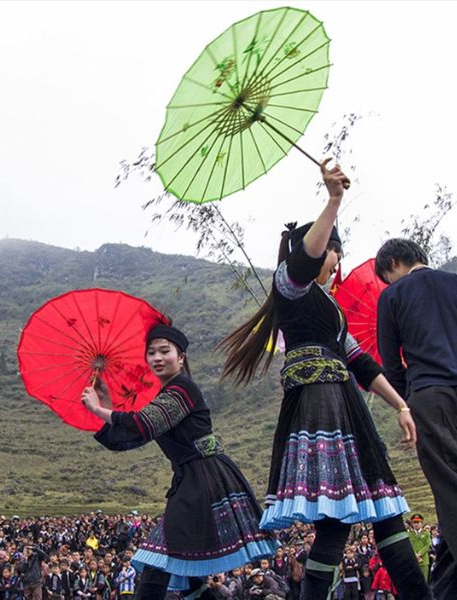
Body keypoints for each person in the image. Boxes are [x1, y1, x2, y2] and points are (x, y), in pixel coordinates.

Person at [219, 160, 431, 600]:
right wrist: (333, 200)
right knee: (336, 523)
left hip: (347, 409)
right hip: (319, 407)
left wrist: (402, 405)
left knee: (380, 518)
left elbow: (362, 365)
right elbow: (303, 260)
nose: (336, 260)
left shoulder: (329, 311)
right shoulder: (290, 287)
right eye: (334, 251)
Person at [82, 323, 277, 600]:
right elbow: (130, 437)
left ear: (181, 357)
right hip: (192, 481)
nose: (157, 358)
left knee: (158, 562)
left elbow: (143, 424)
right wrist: (106, 402)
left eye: (165, 351)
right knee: (186, 571)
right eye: (151, 353)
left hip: (204, 481)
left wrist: (99, 409)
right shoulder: (167, 394)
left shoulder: (182, 389)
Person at [374, 237, 457, 599]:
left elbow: (391, 362)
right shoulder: (454, 282)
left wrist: (405, 401)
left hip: (429, 396)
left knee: (450, 488)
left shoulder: (392, 297)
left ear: (393, 262)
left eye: (385, 276)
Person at [406, 514, 432, 582]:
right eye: (414, 522)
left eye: (418, 522)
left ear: (421, 523)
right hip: (413, 560)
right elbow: (408, 545)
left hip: (423, 560)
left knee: (424, 580)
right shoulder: (409, 534)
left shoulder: (426, 533)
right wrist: (414, 553)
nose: (416, 524)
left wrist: (419, 554)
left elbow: (428, 545)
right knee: (414, 581)